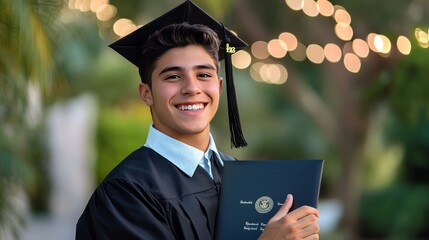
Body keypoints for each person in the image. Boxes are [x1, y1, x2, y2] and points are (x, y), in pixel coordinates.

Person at [75, 1, 320, 239]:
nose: (192, 88)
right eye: (172, 77)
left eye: (203, 74)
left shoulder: (239, 176)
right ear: (146, 93)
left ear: (219, 86)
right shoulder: (125, 194)